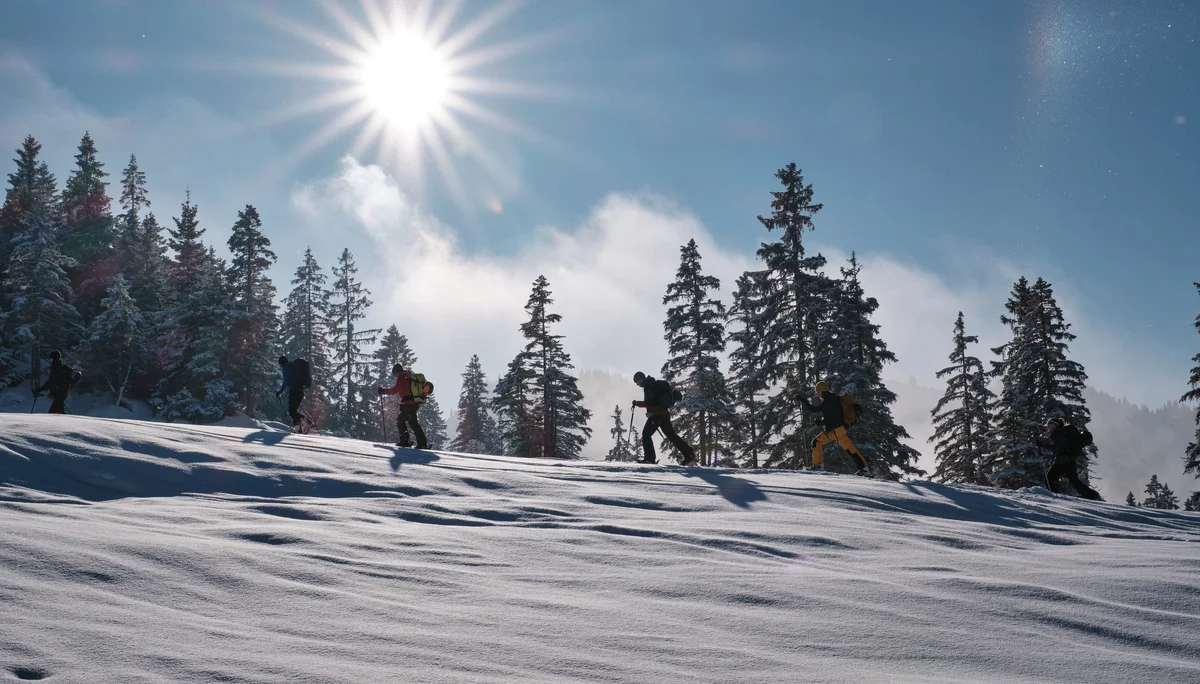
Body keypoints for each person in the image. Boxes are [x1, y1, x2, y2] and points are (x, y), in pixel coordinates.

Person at [800, 380, 870, 476]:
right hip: (840, 429)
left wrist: (803, 400)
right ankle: (864, 469)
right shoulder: (834, 399)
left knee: (816, 442)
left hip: (835, 431)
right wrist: (821, 422)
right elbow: (833, 416)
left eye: (818, 391)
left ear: (823, 390)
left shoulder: (828, 401)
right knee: (851, 449)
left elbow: (813, 409)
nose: (817, 394)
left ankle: (818, 465)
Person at [632, 371, 696, 466]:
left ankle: (650, 458)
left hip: (657, 415)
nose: (637, 384)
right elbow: (654, 402)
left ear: (641, 379)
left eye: (637, 382)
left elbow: (653, 403)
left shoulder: (648, 387)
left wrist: (650, 411)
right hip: (664, 414)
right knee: (672, 436)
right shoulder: (652, 384)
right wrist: (638, 404)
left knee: (646, 434)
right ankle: (689, 455)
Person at [1042, 417, 1102, 500]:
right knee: (1073, 481)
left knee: (1049, 479)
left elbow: (1057, 448)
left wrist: (1043, 445)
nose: (1047, 428)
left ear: (1054, 426)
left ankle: (1054, 496)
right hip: (1067, 461)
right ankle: (1093, 495)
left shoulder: (1060, 434)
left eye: (1049, 426)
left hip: (1064, 461)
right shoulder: (1059, 433)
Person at [379, 363, 428, 449]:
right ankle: (407, 441)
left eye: (394, 374)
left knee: (412, 423)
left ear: (396, 372)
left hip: (409, 404)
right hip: (411, 403)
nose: (394, 376)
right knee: (401, 420)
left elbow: (395, 390)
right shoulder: (408, 376)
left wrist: (384, 391)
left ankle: (420, 443)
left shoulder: (401, 378)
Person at [34, 350, 80, 414]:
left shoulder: (57, 367)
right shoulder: (60, 366)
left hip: (60, 393)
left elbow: (51, 382)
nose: (50, 360)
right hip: (61, 393)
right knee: (59, 412)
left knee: (52, 413)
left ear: (54, 358)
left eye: (51, 358)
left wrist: (40, 389)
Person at [275, 356, 308, 432]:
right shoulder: (292, 367)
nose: (280, 366)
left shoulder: (286, 368)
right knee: (293, 410)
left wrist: (280, 392)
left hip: (294, 392)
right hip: (300, 391)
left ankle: (299, 426)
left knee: (292, 411)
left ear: (282, 363)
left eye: (280, 364)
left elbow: (285, 381)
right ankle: (300, 425)